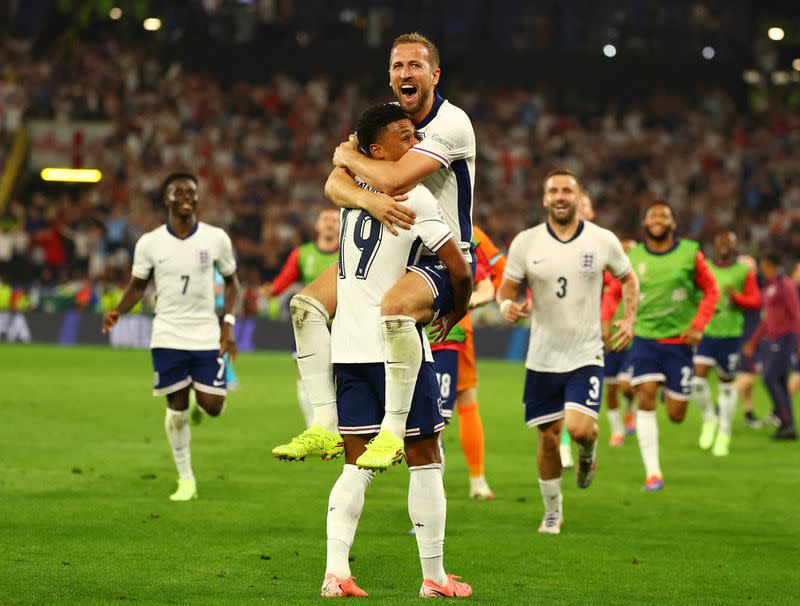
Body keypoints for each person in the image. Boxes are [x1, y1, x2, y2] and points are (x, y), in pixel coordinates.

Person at [273, 32, 476, 470]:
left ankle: (393, 430)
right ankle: (324, 422)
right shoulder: (384, 124)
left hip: (440, 255)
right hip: (391, 249)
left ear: (434, 75)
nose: (406, 73)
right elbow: (334, 184)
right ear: (390, 77)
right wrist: (369, 197)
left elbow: (394, 179)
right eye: (398, 66)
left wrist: (351, 156)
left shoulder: (451, 123)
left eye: (416, 65)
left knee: (396, 308)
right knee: (305, 306)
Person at [320, 103, 472, 598]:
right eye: (405, 138)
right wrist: (456, 311)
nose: (416, 145)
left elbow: (335, 181)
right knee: (425, 457)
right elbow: (459, 268)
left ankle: (335, 573)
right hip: (398, 345)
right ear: (380, 151)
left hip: (348, 346)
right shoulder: (418, 198)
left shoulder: (349, 196)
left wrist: (348, 157)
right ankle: (434, 578)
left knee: (355, 464)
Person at [496, 169, 639, 534]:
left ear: (578, 198)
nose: (560, 196)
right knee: (546, 438)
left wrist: (629, 319)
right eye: (553, 191)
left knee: (578, 430)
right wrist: (506, 307)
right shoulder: (526, 243)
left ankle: (589, 454)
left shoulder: (601, 240)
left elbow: (629, 278)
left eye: (567, 190)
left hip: (585, 355)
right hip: (542, 358)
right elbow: (506, 290)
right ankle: (553, 512)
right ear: (544, 199)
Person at [101, 173, 240, 501]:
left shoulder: (215, 238)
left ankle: (198, 400)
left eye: (191, 192)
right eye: (179, 193)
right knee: (175, 412)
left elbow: (233, 283)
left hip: (205, 334)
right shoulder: (149, 243)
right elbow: (138, 286)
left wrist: (228, 325)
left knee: (213, 407)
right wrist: (118, 311)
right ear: (167, 199)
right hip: (167, 334)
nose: (186, 197)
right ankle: (186, 479)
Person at [627, 202, 719, 491]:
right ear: (644, 222)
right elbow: (616, 288)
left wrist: (698, 325)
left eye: (663, 215)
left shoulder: (690, 253)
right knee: (645, 398)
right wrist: (609, 319)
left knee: (677, 415)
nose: (657, 219)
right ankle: (653, 473)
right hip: (644, 339)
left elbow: (711, 290)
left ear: (673, 224)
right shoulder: (633, 256)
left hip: (679, 343)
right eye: (652, 215)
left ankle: (674, 391)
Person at [427, 225, 502, 500]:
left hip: (450, 335)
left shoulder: (465, 231)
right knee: (459, 404)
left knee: (443, 414)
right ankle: (476, 481)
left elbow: (492, 276)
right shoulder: (463, 227)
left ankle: (471, 483)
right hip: (417, 333)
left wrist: (468, 302)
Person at [261, 208, 339, 427]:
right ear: (317, 225)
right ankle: (312, 426)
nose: (330, 223)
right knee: (306, 378)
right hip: (311, 326)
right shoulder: (302, 254)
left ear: (341, 226)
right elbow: (284, 279)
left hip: (341, 326)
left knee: (340, 379)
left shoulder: (347, 252)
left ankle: (337, 425)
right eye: (325, 219)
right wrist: (271, 290)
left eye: (335, 219)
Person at [692, 231, 761, 456]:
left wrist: (737, 298)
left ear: (734, 246)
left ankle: (724, 432)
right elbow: (695, 294)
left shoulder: (743, 271)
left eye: (728, 243)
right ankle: (710, 419)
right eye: (720, 242)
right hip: (707, 333)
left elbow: (755, 300)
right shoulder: (705, 269)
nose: (724, 246)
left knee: (727, 385)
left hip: (730, 336)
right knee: (697, 380)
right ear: (714, 245)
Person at [742, 251, 800, 440]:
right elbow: (766, 320)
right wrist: (753, 341)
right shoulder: (769, 287)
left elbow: (796, 315)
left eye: (764, 266)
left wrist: (798, 342)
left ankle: (783, 419)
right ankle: (788, 425)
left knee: (769, 378)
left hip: (785, 339)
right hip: (772, 339)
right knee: (780, 382)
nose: (762, 270)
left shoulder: (785, 286)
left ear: (771, 266)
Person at [600, 239, 639, 447]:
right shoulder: (605, 277)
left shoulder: (637, 279)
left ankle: (631, 408)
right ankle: (617, 431)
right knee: (611, 389)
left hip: (632, 340)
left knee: (626, 385)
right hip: (609, 339)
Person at [734, 254, 765, 429]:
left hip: (752, 335)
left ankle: (748, 412)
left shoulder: (751, 287)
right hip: (745, 337)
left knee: (748, 375)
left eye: (754, 268)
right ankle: (721, 407)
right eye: (749, 269)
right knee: (749, 376)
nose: (753, 272)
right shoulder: (739, 289)